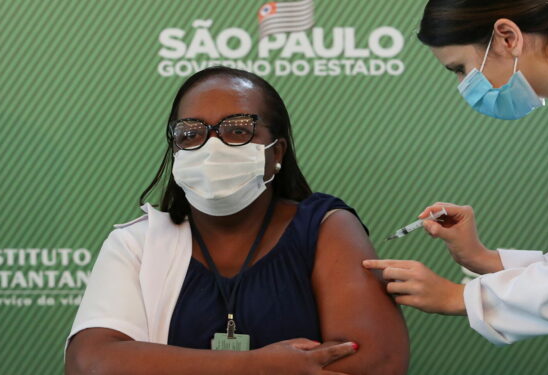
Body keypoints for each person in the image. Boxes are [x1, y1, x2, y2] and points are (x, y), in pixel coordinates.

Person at [363, 0, 548, 368]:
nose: (463, 87)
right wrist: (483, 259)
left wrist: (459, 296)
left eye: (460, 69)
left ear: (507, 37)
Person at [65, 66, 409, 375]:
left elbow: (376, 363)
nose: (212, 147)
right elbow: (89, 364)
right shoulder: (136, 244)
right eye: (191, 134)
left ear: (276, 152)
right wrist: (259, 366)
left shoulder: (325, 227)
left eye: (238, 130)